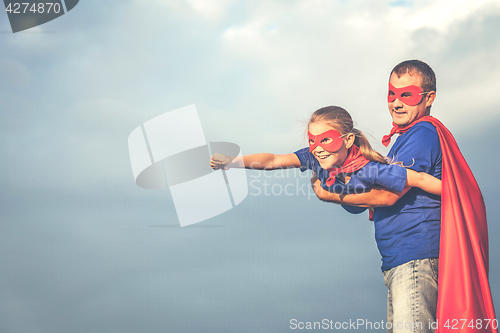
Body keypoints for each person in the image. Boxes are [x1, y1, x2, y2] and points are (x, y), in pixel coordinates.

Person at [311, 60, 496, 333]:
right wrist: (341, 180)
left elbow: (386, 197)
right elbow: (364, 200)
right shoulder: (404, 139)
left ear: (429, 97)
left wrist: (331, 196)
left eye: (406, 95)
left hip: (416, 259)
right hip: (401, 261)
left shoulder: (422, 133)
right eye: (391, 94)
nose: (396, 103)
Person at [211, 105, 442, 207]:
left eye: (326, 140)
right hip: (340, 190)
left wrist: (458, 192)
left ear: (348, 141)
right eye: (312, 140)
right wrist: (233, 162)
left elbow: (419, 179)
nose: (318, 148)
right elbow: (273, 160)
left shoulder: (369, 169)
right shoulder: (313, 156)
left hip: (361, 199)